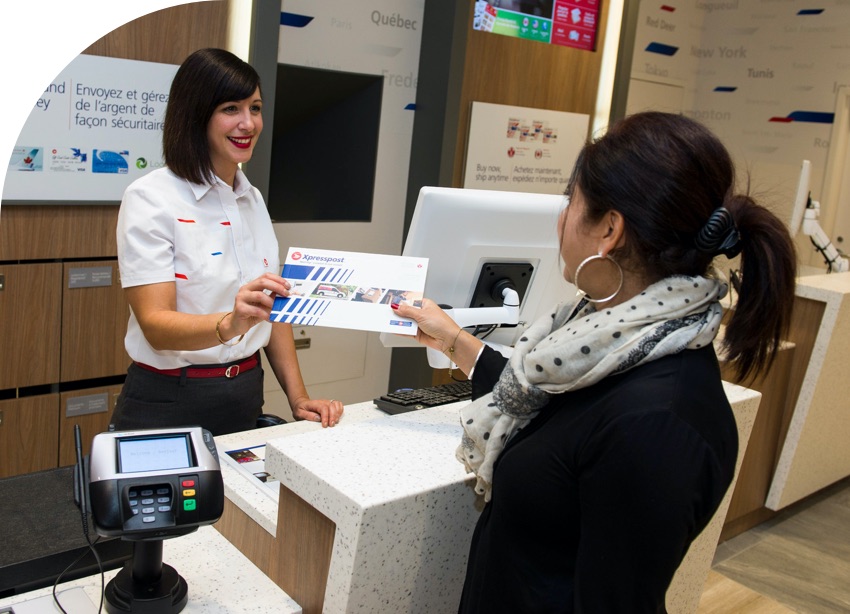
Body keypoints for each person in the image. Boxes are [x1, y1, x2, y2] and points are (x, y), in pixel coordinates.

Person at [392, 111, 797, 612]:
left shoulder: (658, 425)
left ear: (608, 229)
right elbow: (548, 407)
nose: (561, 217)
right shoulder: (601, 346)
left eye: (571, 200)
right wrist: (454, 339)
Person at [113, 48, 343, 436]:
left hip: (244, 393)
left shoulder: (250, 198)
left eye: (255, 107)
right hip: (169, 400)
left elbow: (272, 307)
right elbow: (155, 324)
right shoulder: (150, 198)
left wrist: (298, 397)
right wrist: (232, 322)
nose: (248, 123)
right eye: (231, 109)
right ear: (196, 114)